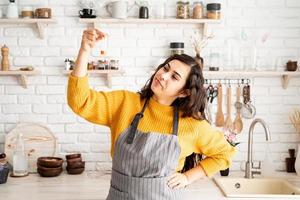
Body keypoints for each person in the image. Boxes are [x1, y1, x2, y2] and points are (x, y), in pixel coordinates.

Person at [67, 28, 236, 200]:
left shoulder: (193, 125)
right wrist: (84, 51)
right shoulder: (125, 103)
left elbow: (225, 154)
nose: (163, 76)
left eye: (174, 77)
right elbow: (80, 102)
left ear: (184, 92)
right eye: (165, 68)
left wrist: (187, 177)